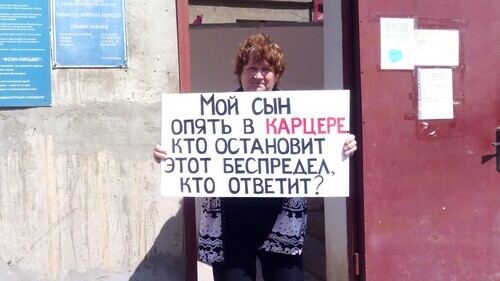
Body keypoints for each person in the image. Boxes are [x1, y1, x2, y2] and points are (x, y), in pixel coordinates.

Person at [153, 33, 357, 281]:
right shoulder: (213, 115)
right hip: (231, 220)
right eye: (251, 68)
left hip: (281, 217)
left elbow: (321, 146)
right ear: (240, 73)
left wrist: (341, 146)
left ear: (277, 74)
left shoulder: (301, 114)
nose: (258, 75)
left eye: (266, 69)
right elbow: (194, 147)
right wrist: (171, 153)